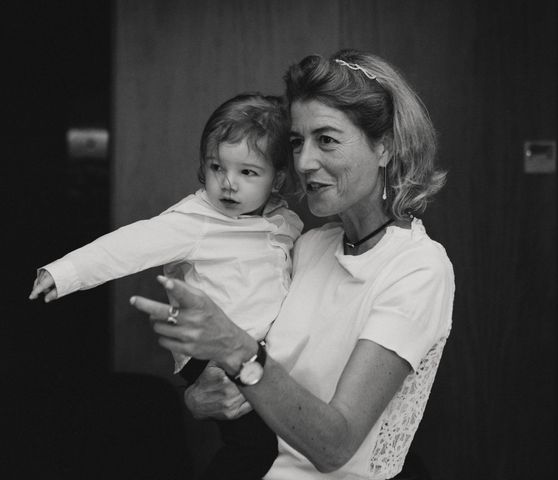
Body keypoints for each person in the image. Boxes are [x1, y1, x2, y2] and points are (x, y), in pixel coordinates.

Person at [130, 49, 455, 480]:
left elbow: (335, 445)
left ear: (385, 147)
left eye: (327, 140)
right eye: (298, 142)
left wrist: (236, 350)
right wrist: (199, 396)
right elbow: (260, 381)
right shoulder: (309, 246)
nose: (303, 163)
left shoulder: (417, 267)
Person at [29, 93, 303, 479]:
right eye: (216, 167)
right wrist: (65, 272)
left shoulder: (284, 222)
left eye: (247, 172)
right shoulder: (195, 221)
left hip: (256, 352)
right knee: (254, 447)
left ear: (279, 178)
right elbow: (129, 246)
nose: (227, 183)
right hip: (212, 355)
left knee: (277, 447)